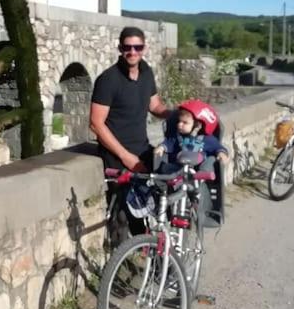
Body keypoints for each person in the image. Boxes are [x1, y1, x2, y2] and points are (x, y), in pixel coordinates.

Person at [89, 26, 171, 237]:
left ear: (144, 48)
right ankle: (128, 259)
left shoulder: (146, 72)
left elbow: (155, 106)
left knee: (170, 184)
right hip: (117, 156)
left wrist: (175, 114)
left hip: (142, 149)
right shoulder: (108, 80)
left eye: (137, 47)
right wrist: (126, 157)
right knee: (125, 216)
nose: (132, 52)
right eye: (127, 47)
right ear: (120, 48)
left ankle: (161, 250)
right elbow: (96, 124)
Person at [154, 99, 229, 174]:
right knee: (165, 167)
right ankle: (174, 176)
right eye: (179, 121)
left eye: (185, 122)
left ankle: (203, 173)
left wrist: (221, 153)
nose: (179, 124)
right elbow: (168, 143)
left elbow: (218, 147)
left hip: (199, 167)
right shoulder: (177, 137)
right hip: (181, 167)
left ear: (197, 125)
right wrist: (161, 147)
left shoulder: (207, 139)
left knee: (211, 160)